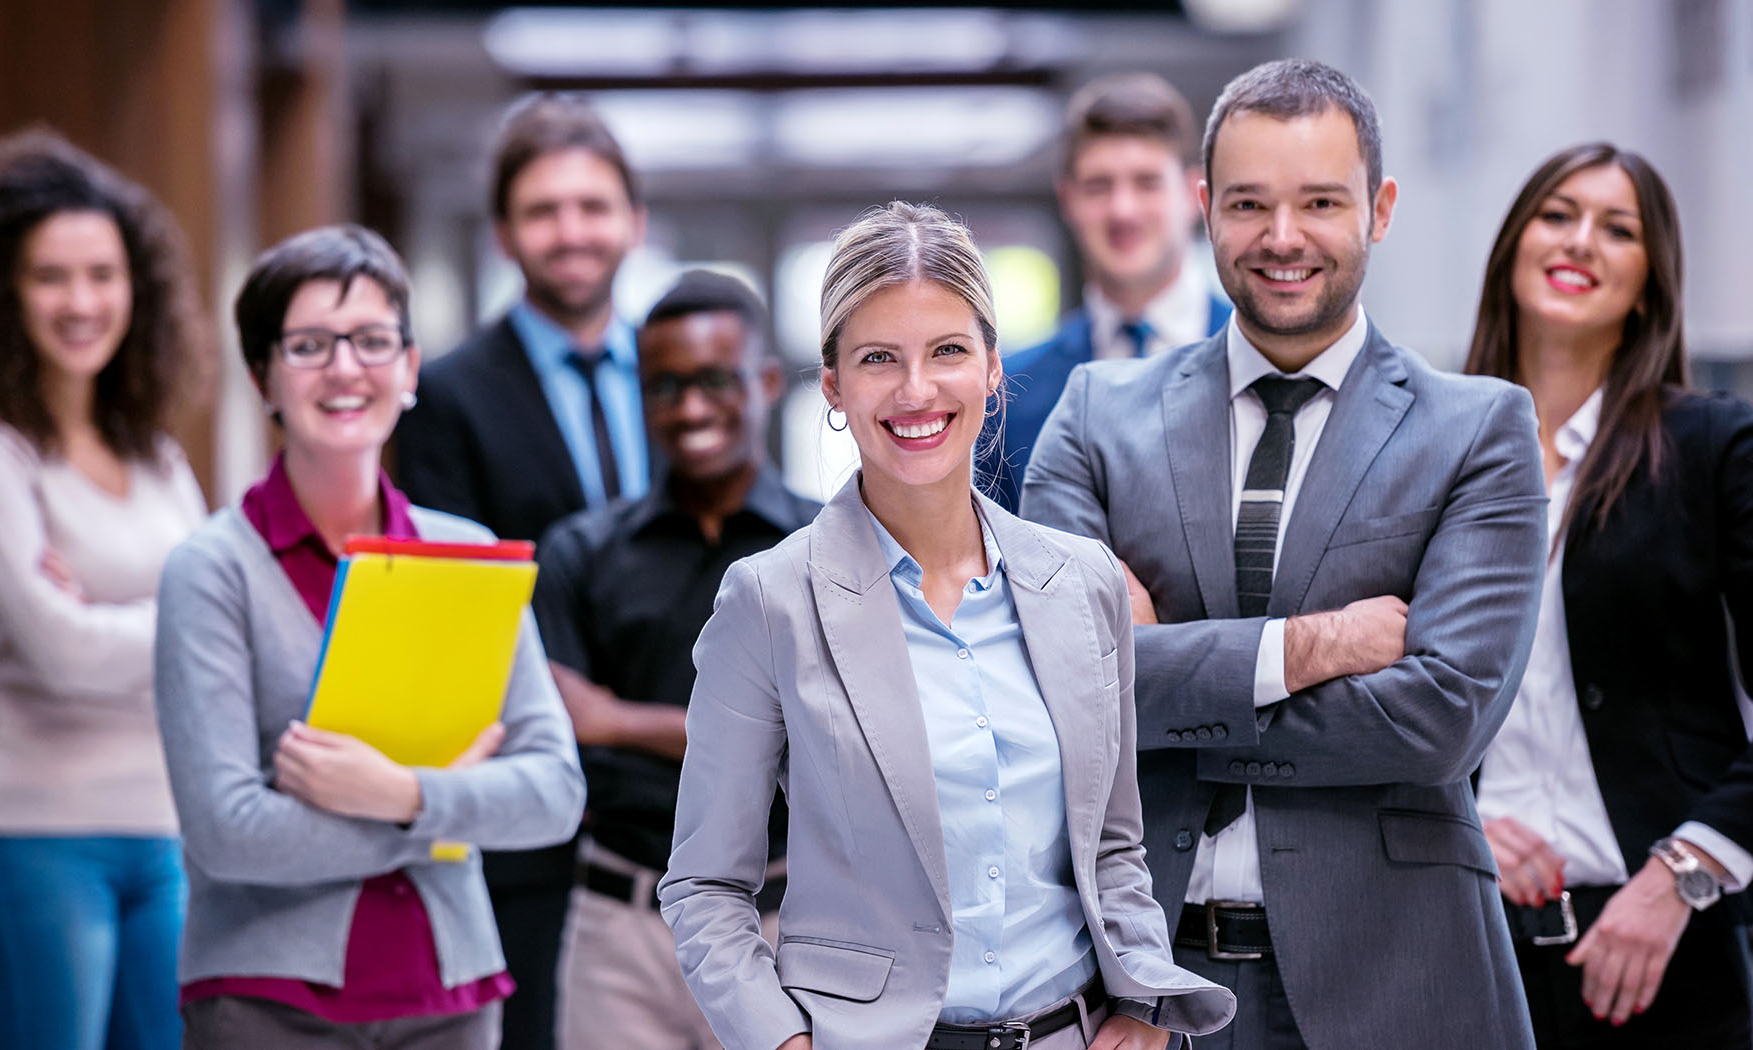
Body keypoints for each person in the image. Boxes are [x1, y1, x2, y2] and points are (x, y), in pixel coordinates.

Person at [1021, 59, 1547, 1050]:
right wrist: (1304, 651)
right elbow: (1054, 691)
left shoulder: (1476, 431)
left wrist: (1159, 684)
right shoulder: (1096, 417)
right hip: (1146, 993)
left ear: (1379, 208)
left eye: (1319, 202)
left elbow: (1439, 724)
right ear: (1204, 207)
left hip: (1405, 983)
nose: (1282, 238)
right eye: (1249, 204)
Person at [659, 202, 1235, 1050]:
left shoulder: (1082, 584)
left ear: (993, 369)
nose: (917, 390)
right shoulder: (770, 600)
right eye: (879, 359)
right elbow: (706, 885)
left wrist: (1142, 1007)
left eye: (949, 352)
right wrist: (781, 1043)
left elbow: (1113, 846)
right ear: (833, 384)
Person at [153, 224, 585, 1048]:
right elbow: (227, 832)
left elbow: (553, 794)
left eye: (372, 341)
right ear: (263, 376)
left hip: (451, 992)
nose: (346, 368)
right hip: (264, 1000)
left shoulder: (466, 556)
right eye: (310, 344)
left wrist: (400, 796)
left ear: (411, 369)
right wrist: (436, 820)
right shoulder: (212, 569)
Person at [0, 129, 206, 1050]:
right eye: (51, 277)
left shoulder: (155, 456)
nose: (82, 301)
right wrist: (174, 626)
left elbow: (217, 622)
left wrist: (119, 619)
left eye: (103, 275)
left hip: (161, 836)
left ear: (138, 288)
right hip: (28, 834)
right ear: (2, 291)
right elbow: (62, 652)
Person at [1467, 142, 1753, 1048]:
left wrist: (1685, 871)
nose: (1581, 240)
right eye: (1558, 214)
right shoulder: (1424, 451)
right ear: (1515, 244)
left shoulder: (1715, 448)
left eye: (1617, 228)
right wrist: (1456, 812)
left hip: (1661, 955)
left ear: (1650, 282)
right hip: (1465, 948)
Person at [391, 93, 646, 1048]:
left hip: (670, 796)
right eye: (543, 210)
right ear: (504, 233)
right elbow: (453, 595)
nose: (570, 232)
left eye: (592, 206)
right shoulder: (448, 395)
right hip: (529, 775)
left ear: (633, 221)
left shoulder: (681, 378)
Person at [533, 270, 816, 1050]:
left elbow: (826, 739)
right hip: (618, 928)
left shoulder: (828, 550)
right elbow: (560, 735)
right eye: (665, 387)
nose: (690, 408)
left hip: (791, 925)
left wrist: (618, 721)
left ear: (764, 381)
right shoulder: (579, 554)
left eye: (714, 381)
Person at [976, 72, 1230, 512]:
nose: (1122, 210)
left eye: (1147, 182)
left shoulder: (1263, 360)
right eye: (1099, 186)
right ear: (1068, 200)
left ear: (1194, 196)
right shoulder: (1006, 397)